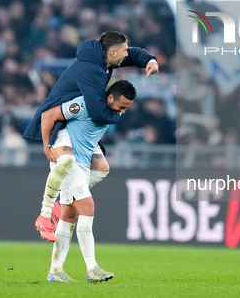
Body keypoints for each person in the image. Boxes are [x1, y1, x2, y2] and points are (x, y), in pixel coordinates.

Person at [23, 30, 158, 241]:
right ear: (112, 52)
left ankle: (63, 203)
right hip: (61, 123)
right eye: (122, 51)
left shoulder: (104, 59)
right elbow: (98, 112)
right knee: (67, 162)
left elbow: (131, 54)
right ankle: (45, 214)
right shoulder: (92, 70)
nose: (125, 55)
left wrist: (149, 59)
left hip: (75, 120)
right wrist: (119, 115)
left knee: (102, 169)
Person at [41, 79, 136, 283]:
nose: (123, 111)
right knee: (88, 208)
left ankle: (55, 271)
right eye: (122, 106)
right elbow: (48, 115)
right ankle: (92, 268)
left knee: (68, 217)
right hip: (70, 161)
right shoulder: (84, 105)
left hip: (84, 164)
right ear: (110, 97)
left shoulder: (110, 113)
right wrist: (47, 147)